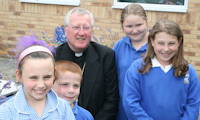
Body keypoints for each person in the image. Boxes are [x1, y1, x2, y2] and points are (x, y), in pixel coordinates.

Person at [122, 19, 200, 120]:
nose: (166, 49)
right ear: (152, 41)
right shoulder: (137, 69)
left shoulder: (189, 72)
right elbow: (130, 103)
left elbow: (193, 105)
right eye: (161, 43)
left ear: (179, 42)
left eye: (171, 43)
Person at [55, 7, 119, 120]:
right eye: (76, 27)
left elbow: (112, 100)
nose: (82, 33)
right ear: (66, 30)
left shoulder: (106, 56)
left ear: (92, 31)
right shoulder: (54, 57)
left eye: (86, 28)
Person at [0, 35, 75, 120]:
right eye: (33, 78)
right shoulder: (6, 112)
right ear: (19, 76)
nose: (41, 85)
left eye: (47, 77)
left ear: (54, 75)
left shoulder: (63, 108)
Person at [113, 3, 148, 120]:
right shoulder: (119, 46)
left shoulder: (157, 46)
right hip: (122, 111)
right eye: (129, 26)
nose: (134, 30)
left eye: (139, 25)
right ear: (122, 26)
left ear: (146, 22)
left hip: (147, 110)